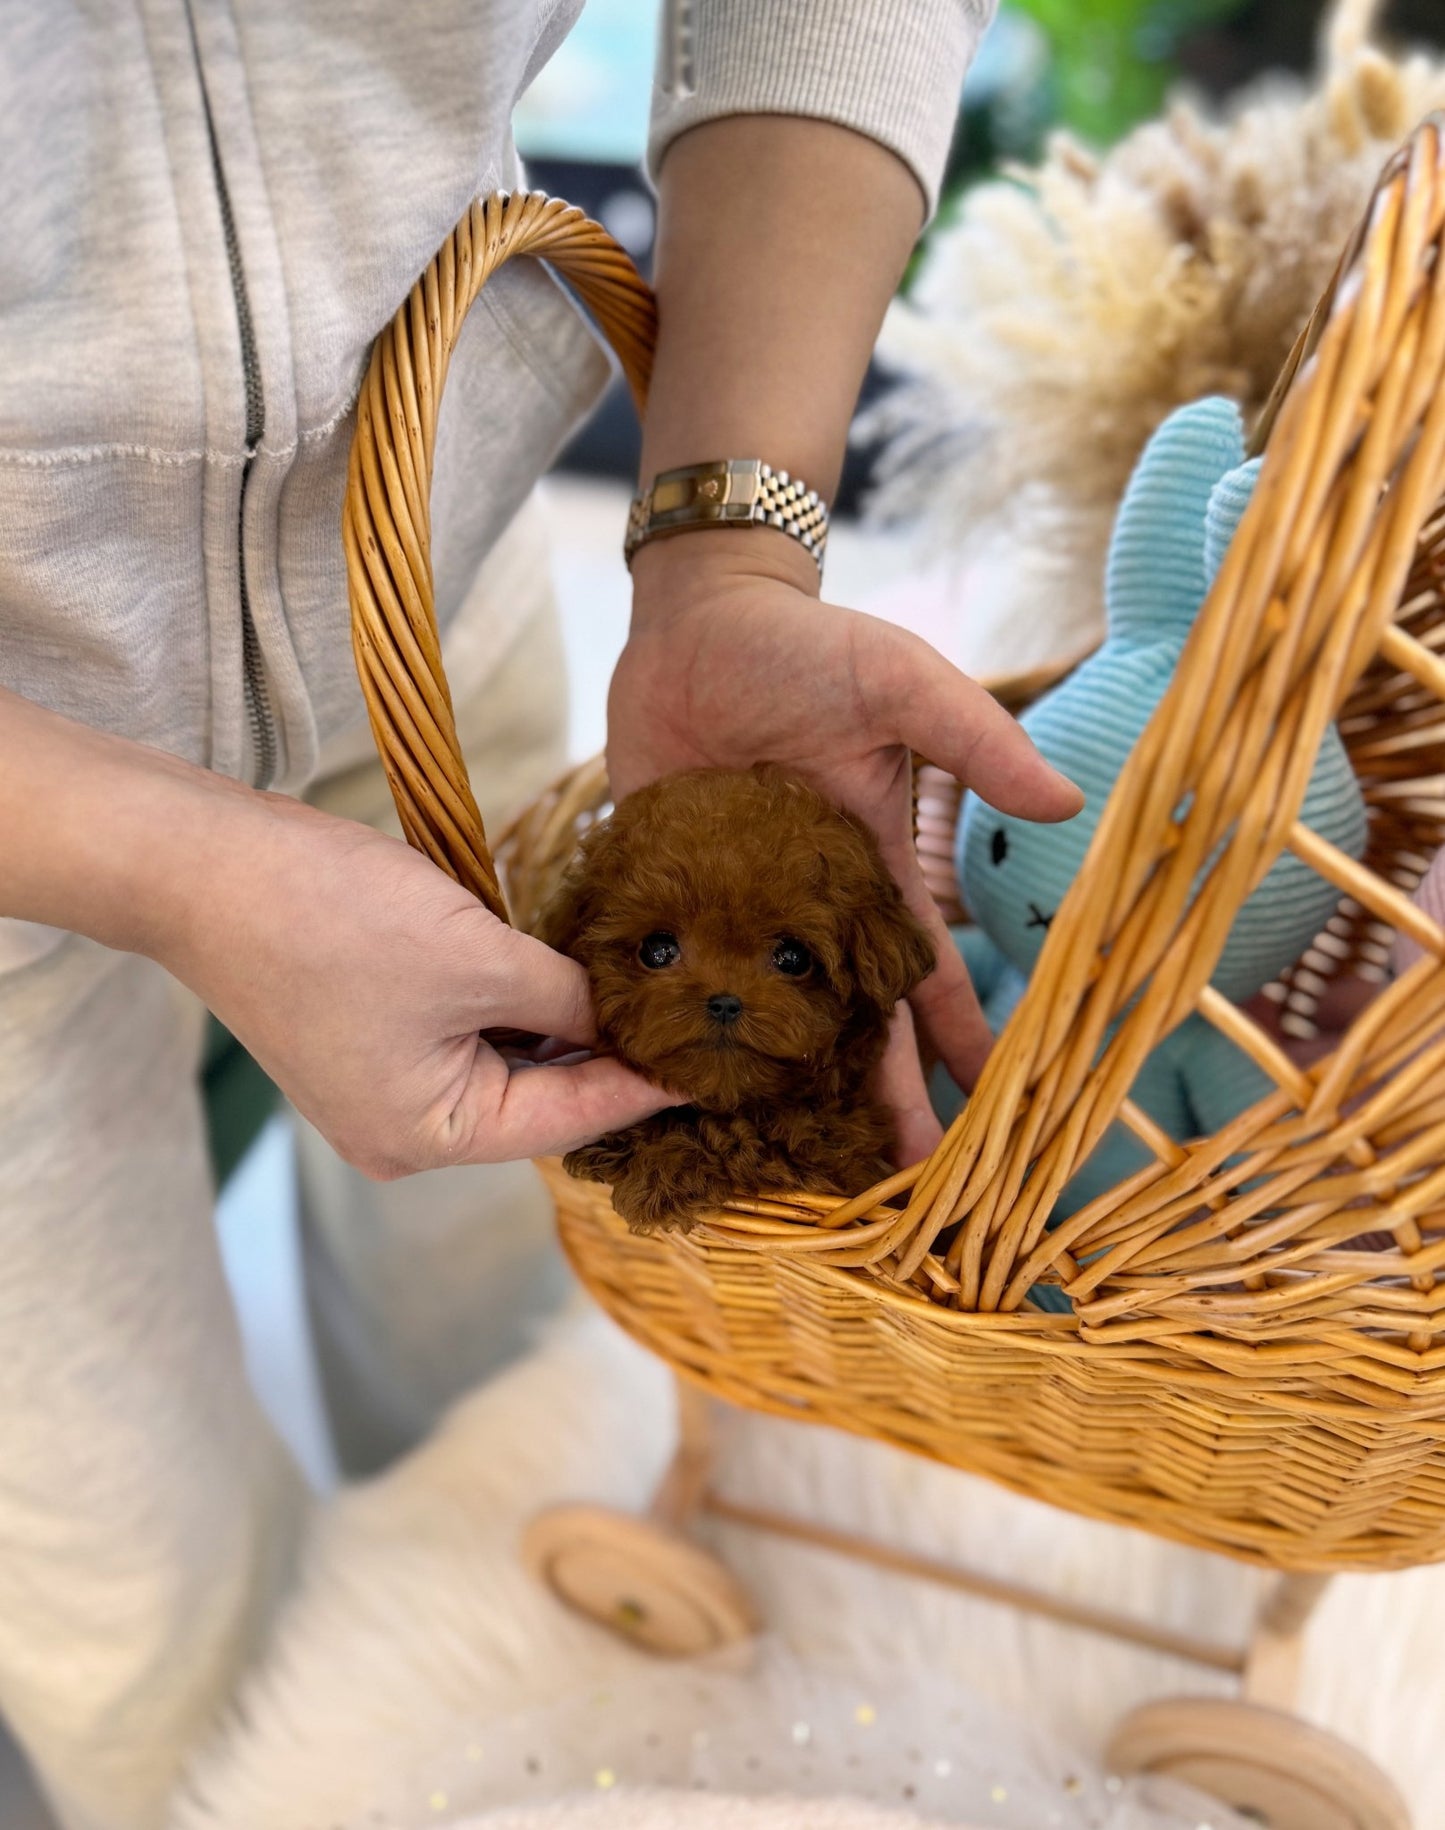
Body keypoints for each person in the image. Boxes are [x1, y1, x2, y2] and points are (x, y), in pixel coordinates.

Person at [0, 4, 1079, 1827]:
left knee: (501, 1343)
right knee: (124, 1572)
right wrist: (158, 858)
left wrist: (730, 543)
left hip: (434, 560)